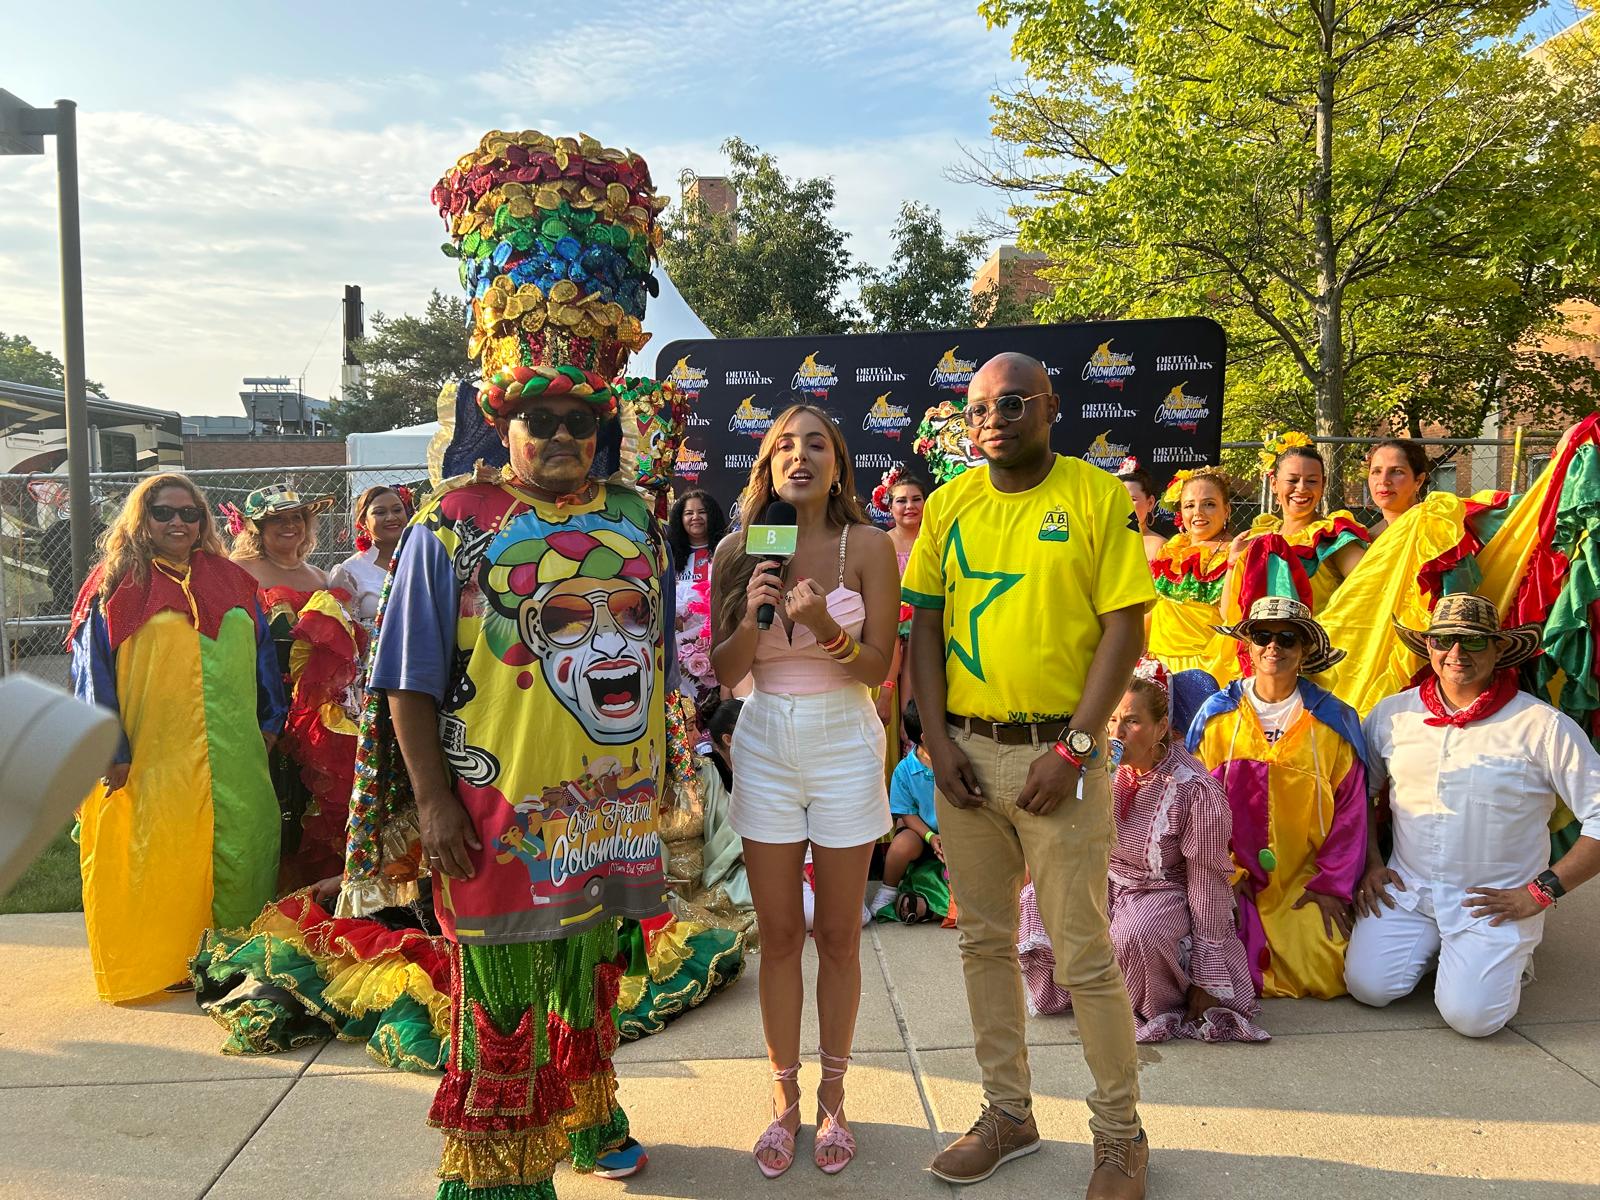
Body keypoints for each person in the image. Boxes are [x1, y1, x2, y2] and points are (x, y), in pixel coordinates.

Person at [904, 351, 1153, 1198]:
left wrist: (1078, 747)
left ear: (1049, 407)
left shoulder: (1094, 496)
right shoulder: (947, 505)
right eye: (978, 409)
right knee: (982, 943)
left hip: (1064, 759)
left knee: (1084, 954)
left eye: (1013, 403)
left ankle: (1120, 1136)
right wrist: (936, 744)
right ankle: (1007, 1113)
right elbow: (924, 634)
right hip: (967, 759)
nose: (994, 419)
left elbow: (1127, 630)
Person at [709, 401, 899, 1178]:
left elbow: (878, 668)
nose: (800, 456)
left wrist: (825, 626)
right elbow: (724, 674)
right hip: (764, 739)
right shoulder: (737, 548)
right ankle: (783, 1100)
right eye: (784, 445)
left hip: (844, 740)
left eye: (815, 444)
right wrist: (758, 612)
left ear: (838, 462)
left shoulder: (871, 545)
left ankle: (835, 1098)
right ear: (767, 464)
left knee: (840, 938)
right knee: (781, 937)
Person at [67, 473, 284, 1002]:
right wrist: (108, 750)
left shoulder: (232, 581)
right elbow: (91, 672)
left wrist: (270, 722)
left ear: (203, 521)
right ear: (142, 519)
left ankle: (234, 954)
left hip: (234, 748)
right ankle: (164, 958)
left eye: (189, 514)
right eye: (164, 513)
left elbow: (263, 661)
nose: (178, 523)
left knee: (240, 846)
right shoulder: (114, 583)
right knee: (159, 850)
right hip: (151, 751)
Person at [1346, 595, 1600, 1035]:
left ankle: (1504, 959)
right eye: (1445, 639)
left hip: (1496, 901)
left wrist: (1539, 893)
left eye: (1475, 642)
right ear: (1428, 646)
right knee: (1369, 988)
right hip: (1410, 889)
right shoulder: (1393, 714)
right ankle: (1449, 955)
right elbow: (1360, 795)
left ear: (1499, 650)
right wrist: (1371, 861)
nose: (1457, 653)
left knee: (1473, 1019)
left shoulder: (1542, 726)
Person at [1020, 665, 1267, 1043]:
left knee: (1137, 932)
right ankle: (1080, 991)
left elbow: (1208, 885)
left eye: (1132, 721)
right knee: (1037, 898)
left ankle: (1156, 1003)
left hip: (1164, 891)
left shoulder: (1195, 791)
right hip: (1108, 878)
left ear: (1161, 727)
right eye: (1114, 718)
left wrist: (1207, 976)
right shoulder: (1102, 766)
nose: (1117, 733)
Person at [1187, 596, 1367, 1000]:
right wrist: (1219, 873)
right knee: (1214, 964)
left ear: (1304, 651)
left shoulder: (1333, 721)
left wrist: (1330, 884)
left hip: (1302, 874)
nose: (1274, 647)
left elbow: (1352, 812)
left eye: (1288, 638)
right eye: (1262, 636)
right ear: (1248, 645)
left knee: (1325, 967)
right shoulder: (1217, 716)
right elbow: (1193, 805)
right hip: (1229, 873)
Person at [1230, 437, 1368, 612]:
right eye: (1292, 480)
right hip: (1260, 638)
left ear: (1323, 484)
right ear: (1273, 484)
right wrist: (1232, 564)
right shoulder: (1258, 537)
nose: (1302, 488)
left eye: (1311, 481)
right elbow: (1230, 609)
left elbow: (1368, 587)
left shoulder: (1331, 535)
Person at [1147, 468, 1234, 677]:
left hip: (1208, 669)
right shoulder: (1171, 550)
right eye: (1189, 505)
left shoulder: (1236, 552)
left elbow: (1231, 616)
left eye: (1209, 504)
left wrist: (1232, 566)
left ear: (1227, 510)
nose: (1198, 512)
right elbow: (1151, 611)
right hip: (1158, 665)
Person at [869, 701, 951, 924]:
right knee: (901, 844)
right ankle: (888, 889)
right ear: (926, 736)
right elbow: (907, 814)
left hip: (957, 835)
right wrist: (930, 837)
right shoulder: (905, 770)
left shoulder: (955, 761)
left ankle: (927, 905)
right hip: (923, 835)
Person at [329, 484, 413, 629]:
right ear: (363, 521)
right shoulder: (348, 572)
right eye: (380, 512)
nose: (391, 517)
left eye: (397, 510)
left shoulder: (423, 561)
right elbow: (343, 633)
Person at [667, 488, 728, 616]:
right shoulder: (669, 553)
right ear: (680, 519)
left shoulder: (726, 550)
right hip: (677, 630)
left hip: (717, 626)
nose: (695, 517)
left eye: (702, 512)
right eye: (689, 513)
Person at [1364, 439, 1430, 539]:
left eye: (1397, 471)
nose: (1383, 480)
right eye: (1376, 471)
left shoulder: (1439, 531)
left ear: (1419, 481)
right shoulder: (1361, 540)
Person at [1117, 460, 1167, 563]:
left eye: (1132, 499)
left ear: (1150, 503)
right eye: (1120, 499)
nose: (1125, 505)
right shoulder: (1103, 542)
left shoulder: (1160, 546)